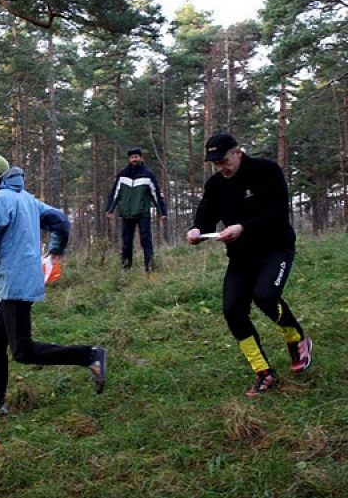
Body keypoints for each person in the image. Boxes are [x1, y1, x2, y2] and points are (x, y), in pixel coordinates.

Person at [0, 154, 107, 414]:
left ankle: (90, 356)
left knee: (23, 351)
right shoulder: (26, 198)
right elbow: (60, 219)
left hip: (15, 283)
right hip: (21, 281)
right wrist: (56, 248)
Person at [186, 133, 313, 397]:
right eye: (215, 163)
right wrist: (197, 231)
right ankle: (263, 371)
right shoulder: (215, 185)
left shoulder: (266, 170)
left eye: (223, 160)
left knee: (265, 295)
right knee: (232, 310)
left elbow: (278, 212)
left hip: (276, 248)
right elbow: (206, 215)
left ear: (237, 152)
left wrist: (243, 228)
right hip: (242, 256)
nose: (221, 167)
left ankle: (296, 339)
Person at [106, 147, 167, 271]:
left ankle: (149, 267)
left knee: (146, 241)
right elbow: (115, 193)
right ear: (129, 159)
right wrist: (110, 209)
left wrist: (162, 212)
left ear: (141, 158)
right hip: (127, 213)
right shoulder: (122, 175)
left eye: (136, 156)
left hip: (143, 213)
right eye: (132, 157)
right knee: (126, 243)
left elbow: (156, 193)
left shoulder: (148, 175)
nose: (134, 159)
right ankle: (125, 268)